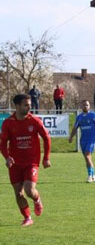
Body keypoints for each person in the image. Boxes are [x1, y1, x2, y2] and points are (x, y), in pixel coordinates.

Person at [0, 94, 51, 227]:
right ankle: (27, 217)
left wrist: (46, 158)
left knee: (29, 190)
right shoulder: (8, 123)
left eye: (30, 104)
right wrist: (7, 157)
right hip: (15, 164)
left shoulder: (35, 121)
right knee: (18, 193)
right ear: (17, 106)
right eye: (26, 105)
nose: (29, 107)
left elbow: (46, 138)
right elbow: (3, 143)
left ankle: (37, 199)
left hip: (31, 162)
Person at [68, 100, 95, 182]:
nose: (85, 106)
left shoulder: (93, 115)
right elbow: (75, 128)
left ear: (89, 106)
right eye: (84, 105)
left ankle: (90, 176)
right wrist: (71, 137)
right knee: (87, 158)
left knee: (87, 156)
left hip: (91, 139)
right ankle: (93, 175)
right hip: (83, 140)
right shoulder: (79, 117)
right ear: (81, 106)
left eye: (87, 105)